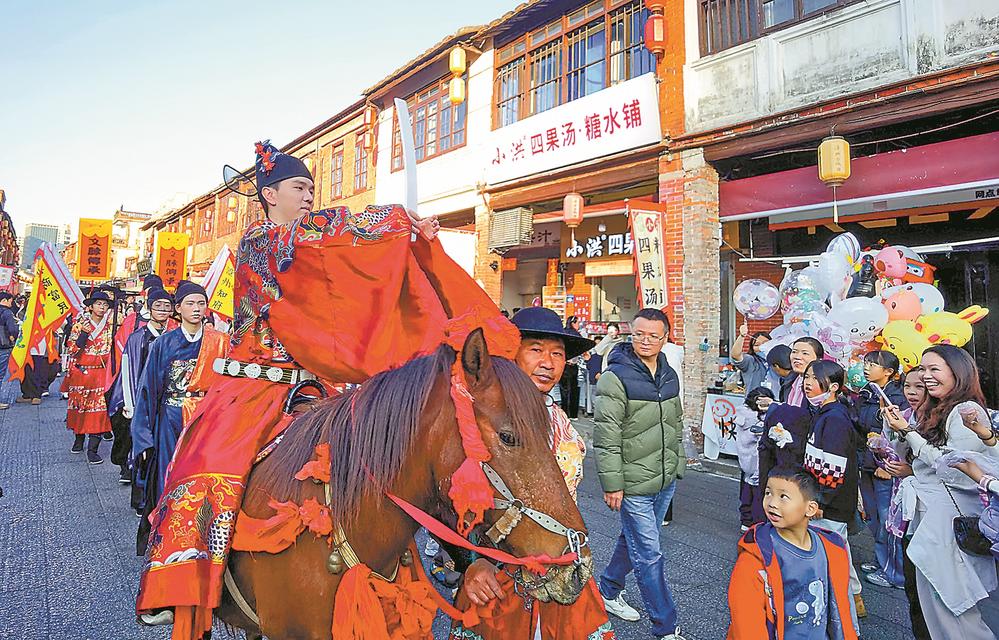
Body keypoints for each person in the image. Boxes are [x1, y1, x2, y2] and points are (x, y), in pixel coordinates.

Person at [135, 140, 445, 631]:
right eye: (300, 187)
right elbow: (324, 232)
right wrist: (392, 219)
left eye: (311, 189)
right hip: (253, 386)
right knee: (201, 466)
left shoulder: (307, 242)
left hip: (316, 382)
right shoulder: (261, 243)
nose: (308, 196)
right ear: (269, 194)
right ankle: (178, 578)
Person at [448, 307, 613, 639]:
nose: (549, 363)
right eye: (536, 349)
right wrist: (470, 562)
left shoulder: (560, 418)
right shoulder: (481, 422)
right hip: (498, 572)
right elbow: (446, 497)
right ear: (513, 354)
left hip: (561, 560)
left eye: (557, 354)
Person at [883, 345, 997, 640]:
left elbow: (952, 467)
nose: (926, 376)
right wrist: (897, 428)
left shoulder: (965, 410)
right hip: (928, 516)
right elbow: (912, 459)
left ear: (957, 373)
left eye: (934, 369)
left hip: (947, 520)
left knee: (952, 607)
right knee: (933, 602)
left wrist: (908, 432)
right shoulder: (935, 409)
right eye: (923, 369)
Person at [595, 307, 685, 640]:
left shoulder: (669, 374)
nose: (645, 341)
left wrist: (679, 464)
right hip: (632, 484)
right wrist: (613, 484)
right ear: (630, 333)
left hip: (663, 480)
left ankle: (608, 590)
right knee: (649, 554)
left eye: (653, 335)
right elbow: (606, 436)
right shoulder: (615, 377)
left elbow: (675, 422)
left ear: (665, 338)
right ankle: (666, 627)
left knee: (631, 540)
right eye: (639, 334)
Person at [131, 282, 228, 555]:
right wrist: (143, 437)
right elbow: (148, 390)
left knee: (202, 477)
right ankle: (167, 536)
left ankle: (199, 533)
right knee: (169, 475)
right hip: (171, 417)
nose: (196, 309)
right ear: (178, 309)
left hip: (205, 418)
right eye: (190, 304)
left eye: (201, 303)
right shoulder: (164, 343)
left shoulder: (219, 341)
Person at [727, 468, 858, 640]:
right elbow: (746, 623)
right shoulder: (754, 558)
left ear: (810, 509)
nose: (772, 503)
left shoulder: (832, 549)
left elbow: (840, 608)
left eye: (783, 497)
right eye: (768, 493)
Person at [800, 359, 863, 628]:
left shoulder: (835, 418)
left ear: (834, 387)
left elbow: (834, 469)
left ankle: (847, 626)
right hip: (822, 501)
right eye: (806, 377)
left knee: (834, 568)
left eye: (814, 378)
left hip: (829, 506)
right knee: (836, 563)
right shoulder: (823, 413)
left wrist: (821, 501)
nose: (807, 383)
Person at [106, 287, 174, 485]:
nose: (162, 310)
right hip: (141, 396)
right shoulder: (138, 337)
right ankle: (139, 492)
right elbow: (127, 369)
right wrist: (129, 401)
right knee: (141, 445)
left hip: (167, 400)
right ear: (149, 308)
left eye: (167, 306)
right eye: (158, 305)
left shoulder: (174, 334)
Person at [882, 366, 929, 639]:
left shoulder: (939, 420)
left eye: (919, 387)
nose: (910, 392)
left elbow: (946, 466)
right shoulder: (905, 416)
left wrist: (910, 471)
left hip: (929, 510)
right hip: (904, 504)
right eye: (907, 386)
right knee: (913, 589)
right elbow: (894, 451)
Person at [853, 350, 906, 589]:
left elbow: (899, 435)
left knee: (888, 519)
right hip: (866, 462)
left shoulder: (896, 396)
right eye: (867, 362)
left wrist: (886, 465)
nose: (867, 367)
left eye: (874, 364)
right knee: (873, 517)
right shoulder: (866, 392)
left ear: (889, 372)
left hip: (886, 468)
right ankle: (881, 560)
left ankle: (895, 573)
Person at [65, 290, 114, 463]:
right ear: (91, 306)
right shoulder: (80, 324)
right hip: (82, 372)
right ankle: (78, 439)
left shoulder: (110, 327)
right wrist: (84, 335)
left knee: (99, 411)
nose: (102, 307)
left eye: (105, 304)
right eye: (99, 304)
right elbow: (71, 350)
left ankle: (93, 449)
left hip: (101, 373)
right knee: (80, 408)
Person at [735, 387, 774, 531]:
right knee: (759, 494)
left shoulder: (741, 415)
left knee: (745, 492)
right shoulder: (762, 421)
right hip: (759, 463)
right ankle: (758, 525)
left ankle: (746, 520)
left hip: (744, 462)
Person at [781, 337, 824, 408]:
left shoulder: (822, 385)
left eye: (805, 353)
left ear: (819, 359)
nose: (797, 357)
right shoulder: (789, 380)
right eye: (794, 352)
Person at [730, 322, 771, 394]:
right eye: (757, 345)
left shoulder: (777, 360)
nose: (762, 347)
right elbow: (735, 355)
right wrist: (742, 336)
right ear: (752, 348)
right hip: (754, 402)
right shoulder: (751, 361)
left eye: (765, 343)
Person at [558, 315, 583, 418]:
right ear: (573, 323)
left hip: (565, 364)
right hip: (572, 365)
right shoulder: (576, 335)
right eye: (577, 323)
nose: (579, 325)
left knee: (565, 390)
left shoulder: (563, 333)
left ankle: (565, 413)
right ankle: (573, 414)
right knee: (573, 389)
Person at [0, 292, 21, 410]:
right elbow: (12, 329)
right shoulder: (7, 313)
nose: (11, 303)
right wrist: (13, 335)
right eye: (10, 301)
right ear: (4, 300)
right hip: (3, 345)